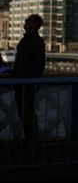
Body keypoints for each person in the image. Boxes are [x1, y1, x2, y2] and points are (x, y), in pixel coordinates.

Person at [12, 14, 46, 144]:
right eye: (26, 20)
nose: (26, 22)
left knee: (28, 113)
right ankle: (30, 139)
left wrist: (26, 79)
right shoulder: (25, 40)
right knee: (24, 112)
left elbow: (38, 65)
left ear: (36, 25)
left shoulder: (36, 41)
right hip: (20, 82)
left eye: (29, 20)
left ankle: (31, 140)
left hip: (27, 83)